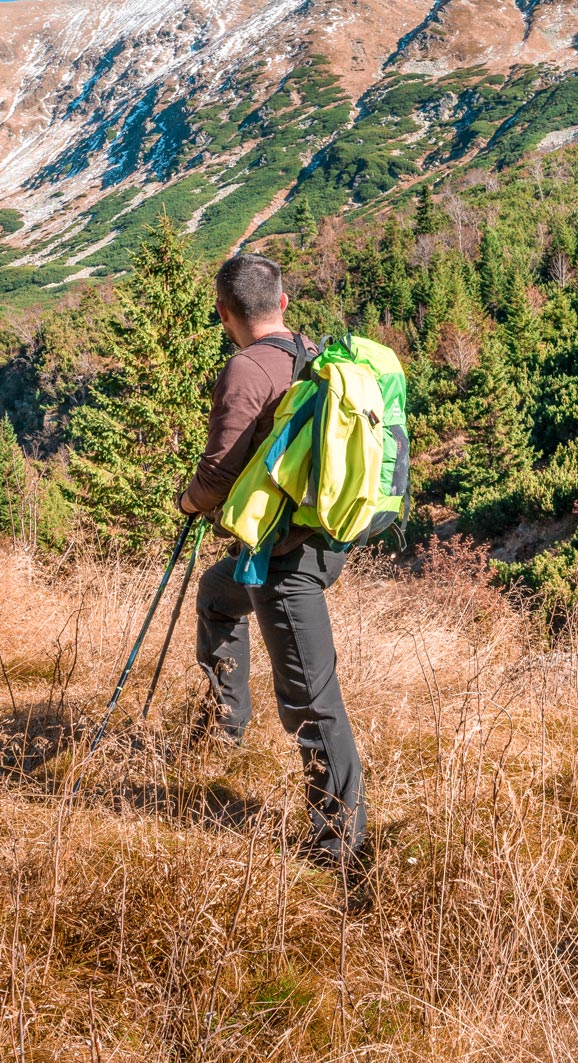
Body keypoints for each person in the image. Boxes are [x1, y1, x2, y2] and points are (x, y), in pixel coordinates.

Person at [176, 254, 366, 865]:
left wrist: (189, 501)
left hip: (284, 562)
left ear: (225, 313)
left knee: (312, 704)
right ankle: (224, 723)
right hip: (325, 539)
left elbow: (216, 474)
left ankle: (339, 849)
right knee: (217, 591)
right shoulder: (312, 356)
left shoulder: (244, 370)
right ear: (282, 303)